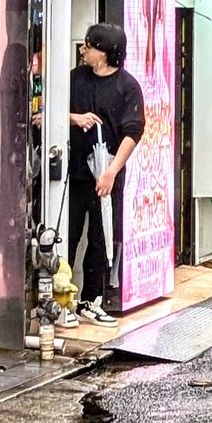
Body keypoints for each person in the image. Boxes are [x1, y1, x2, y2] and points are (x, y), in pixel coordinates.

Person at [66, 22, 145, 326]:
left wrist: (111, 171)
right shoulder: (75, 79)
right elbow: (45, 110)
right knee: (68, 234)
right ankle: (60, 300)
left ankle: (91, 300)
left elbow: (133, 131)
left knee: (101, 237)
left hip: (107, 174)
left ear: (105, 53)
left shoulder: (127, 86)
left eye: (89, 46)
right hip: (74, 171)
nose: (83, 50)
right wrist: (74, 118)